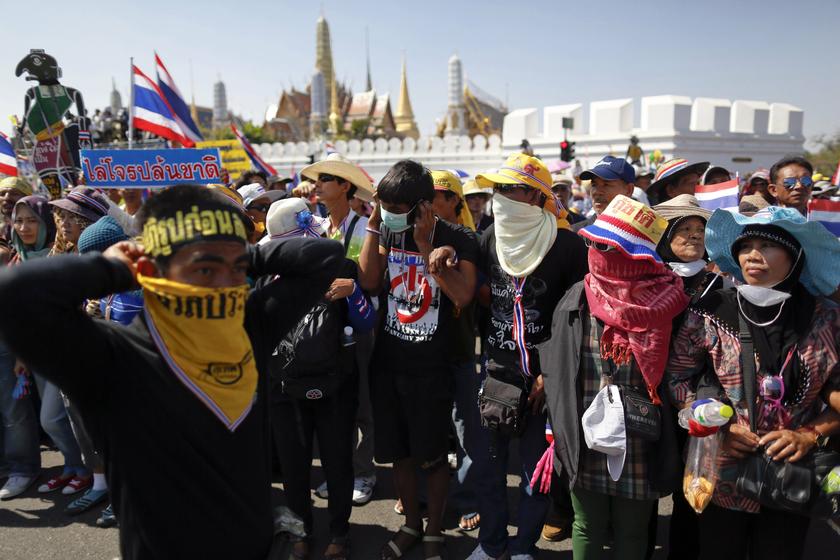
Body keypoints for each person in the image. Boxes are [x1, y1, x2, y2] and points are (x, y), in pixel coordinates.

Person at [0, 184, 344, 559]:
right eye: (204, 268)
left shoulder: (248, 325)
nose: (227, 283)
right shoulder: (113, 357)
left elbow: (324, 255)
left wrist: (239, 252)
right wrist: (114, 268)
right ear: (153, 269)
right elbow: (15, 295)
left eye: (236, 268)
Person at [667, 205, 840, 560]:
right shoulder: (710, 310)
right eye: (746, 246)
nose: (753, 255)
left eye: (768, 245)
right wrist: (717, 428)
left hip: (792, 473)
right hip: (723, 471)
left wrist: (809, 434)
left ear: (794, 256)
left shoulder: (826, 318)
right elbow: (677, 378)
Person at [539, 195, 688, 560]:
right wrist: (557, 424)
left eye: (608, 246)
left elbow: (682, 371)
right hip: (583, 432)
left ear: (634, 256)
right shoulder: (578, 296)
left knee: (633, 529)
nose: (596, 251)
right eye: (594, 243)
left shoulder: (671, 301)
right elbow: (557, 368)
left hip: (642, 435)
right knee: (585, 524)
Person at [357, 160, 478, 560]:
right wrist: (375, 224)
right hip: (389, 363)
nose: (390, 211)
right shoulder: (387, 232)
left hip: (432, 367)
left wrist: (427, 245)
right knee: (399, 455)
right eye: (384, 203)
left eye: (397, 206)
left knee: (431, 456)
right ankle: (410, 523)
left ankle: (432, 530)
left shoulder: (458, 238)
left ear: (424, 206)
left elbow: (462, 296)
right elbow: (371, 282)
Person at [469, 153, 587, 560]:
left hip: (545, 379)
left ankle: (523, 548)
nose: (499, 197)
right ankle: (491, 545)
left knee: (536, 474)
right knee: (488, 469)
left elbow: (576, 317)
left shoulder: (568, 245)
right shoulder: (488, 238)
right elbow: (477, 294)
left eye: (509, 189)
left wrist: (549, 375)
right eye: (496, 189)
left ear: (536, 197)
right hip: (497, 373)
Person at [263, 197, 375, 560]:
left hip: (336, 385)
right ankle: (301, 533)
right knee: (294, 468)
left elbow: (365, 322)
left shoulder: (341, 265)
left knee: (337, 462)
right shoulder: (266, 272)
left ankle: (339, 535)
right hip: (283, 387)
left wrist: (354, 292)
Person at [301, 152, 379, 506]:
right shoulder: (314, 226)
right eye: (317, 180)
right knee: (333, 405)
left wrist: (354, 288)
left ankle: (364, 473)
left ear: (345, 186)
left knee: (363, 404)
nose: (318, 185)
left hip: (358, 328)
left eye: (326, 179)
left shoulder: (363, 229)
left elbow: (371, 281)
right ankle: (342, 471)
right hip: (322, 329)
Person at [430, 170, 481, 532]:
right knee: (425, 429)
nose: (428, 204)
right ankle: (420, 498)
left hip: (460, 349)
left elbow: (468, 292)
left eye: (436, 196)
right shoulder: (411, 235)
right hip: (419, 353)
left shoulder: (468, 240)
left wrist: (446, 252)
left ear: (454, 202)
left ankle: (467, 500)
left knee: (467, 431)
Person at [0, 195, 55, 500]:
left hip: (24, 343)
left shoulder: (13, 257)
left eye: (31, 219)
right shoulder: (18, 253)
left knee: (20, 410)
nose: (23, 227)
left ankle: (24, 467)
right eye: (19, 221)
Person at [653, 194, 726, 304]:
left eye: (701, 230)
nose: (696, 235)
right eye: (686, 229)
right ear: (666, 236)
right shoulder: (646, 281)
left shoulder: (723, 286)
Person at [572, 155, 637, 231]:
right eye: (594, 185)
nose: (597, 192)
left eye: (606, 184)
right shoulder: (575, 235)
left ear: (629, 190)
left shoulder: (645, 237)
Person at [0, 177, 33, 242]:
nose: (6, 198)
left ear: (27, 198)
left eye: (14, 193)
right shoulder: (2, 229)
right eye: (2, 194)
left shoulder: (38, 228)